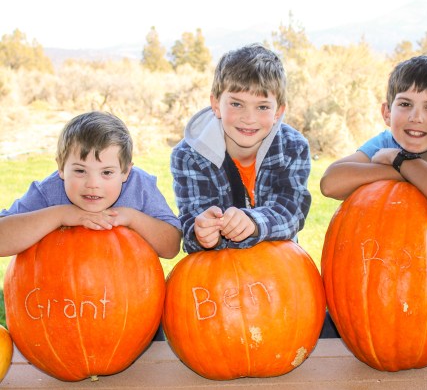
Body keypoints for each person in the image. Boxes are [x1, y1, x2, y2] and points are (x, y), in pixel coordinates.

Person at [171, 43, 312, 254]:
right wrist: (201, 233)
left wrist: (253, 222)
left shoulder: (293, 148)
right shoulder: (189, 156)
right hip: (218, 268)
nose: (249, 118)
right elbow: (191, 225)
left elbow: (292, 212)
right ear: (216, 104)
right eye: (237, 104)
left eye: (262, 107)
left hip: (279, 263)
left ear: (278, 112)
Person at [0, 111, 181, 258]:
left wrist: (133, 218)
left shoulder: (139, 187)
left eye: (107, 173)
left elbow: (171, 248)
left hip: (127, 289)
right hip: (58, 288)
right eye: (80, 171)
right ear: (61, 168)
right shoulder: (49, 191)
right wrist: (61, 214)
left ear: (125, 172)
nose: (93, 184)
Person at [320, 54, 427, 218]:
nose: (416, 117)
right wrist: (405, 171)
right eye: (405, 104)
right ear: (387, 113)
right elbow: (330, 183)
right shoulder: (385, 143)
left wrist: (400, 161)